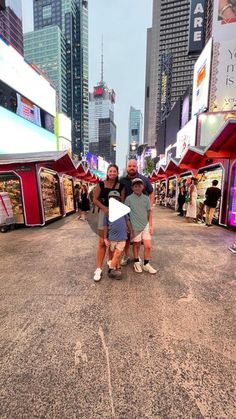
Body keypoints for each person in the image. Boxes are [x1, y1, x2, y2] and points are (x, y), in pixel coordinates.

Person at [93, 164, 125, 282]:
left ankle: (112, 265)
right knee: (102, 242)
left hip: (117, 214)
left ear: (117, 173)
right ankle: (98, 268)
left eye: (114, 171)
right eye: (110, 171)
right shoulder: (101, 184)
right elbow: (94, 199)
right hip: (104, 213)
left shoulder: (120, 186)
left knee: (113, 242)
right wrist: (105, 208)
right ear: (107, 173)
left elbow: (122, 200)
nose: (112, 173)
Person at [120, 159, 154, 265]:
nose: (131, 168)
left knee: (139, 240)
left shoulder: (144, 179)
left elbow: (152, 192)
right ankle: (126, 256)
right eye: (129, 166)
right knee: (126, 237)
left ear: (137, 167)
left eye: (134, 166)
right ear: (127, 168)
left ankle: (137, 258)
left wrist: (150, 206)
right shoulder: (122, 180)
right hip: (126, 214)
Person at [125, 178, 157, 274]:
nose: (137, 187)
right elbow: (125, 214)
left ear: (143, 187)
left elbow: (149, 212)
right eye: (135, 186)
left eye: (139, 185)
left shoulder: (146, 198)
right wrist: (128, 226)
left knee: (148, 246)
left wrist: (150, 225)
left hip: (145, 225)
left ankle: (146, 264)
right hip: (135, 226)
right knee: (136, 245)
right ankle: (136, 262)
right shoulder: (128, 199)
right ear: (132, 188)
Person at [103, 190, 132, 279]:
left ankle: (111, 269)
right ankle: (117, 267)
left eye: (116, 199)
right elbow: (105, 226)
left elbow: (127, 221)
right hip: (112, 237)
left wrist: (130, 230)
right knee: (115, 253)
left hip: (122, 236)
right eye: (112, 199)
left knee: (118, 252)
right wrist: (105, 238)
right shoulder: (107, 212)